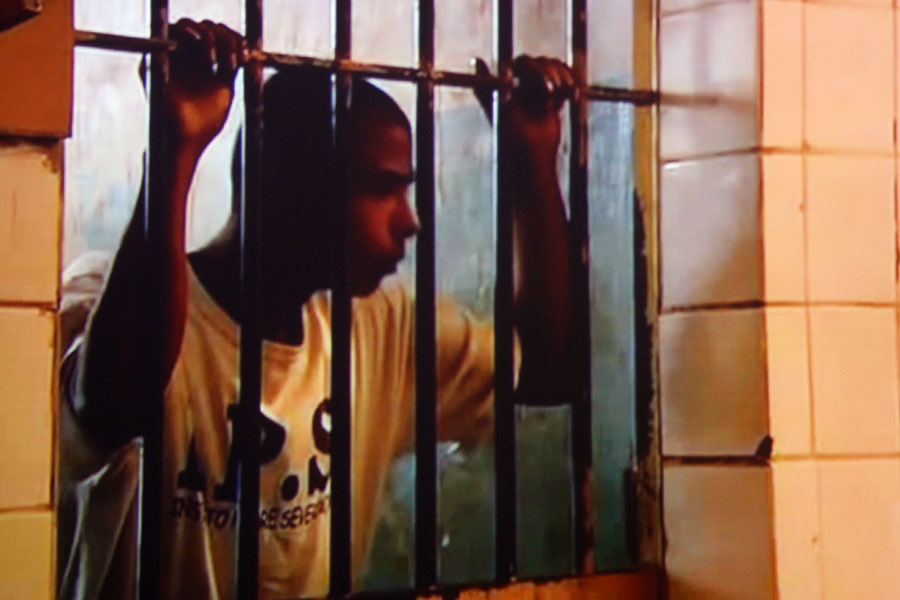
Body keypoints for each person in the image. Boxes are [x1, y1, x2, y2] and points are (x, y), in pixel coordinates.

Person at [60, 18, 575, 600]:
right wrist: (174, 148)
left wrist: (533, 169)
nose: (410, 222)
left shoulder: (375, 326)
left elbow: (545, 370)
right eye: (380, 189)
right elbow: (115, 405)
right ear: (288, 186)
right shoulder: (107, 296)